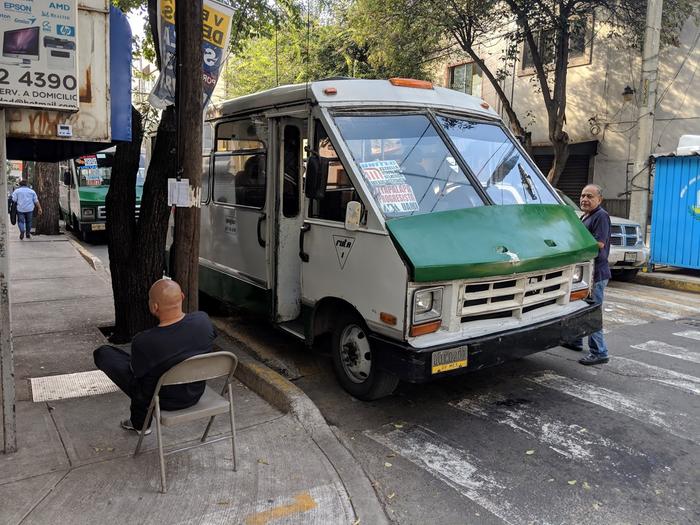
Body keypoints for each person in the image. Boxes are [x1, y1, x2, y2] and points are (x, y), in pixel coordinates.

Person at [94, 279, 216, 433]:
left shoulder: (144, 341)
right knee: (151, 370)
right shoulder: (203, 321)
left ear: (154, 306)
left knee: (104, 354)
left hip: (163, 400)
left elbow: (136, 375)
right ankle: (139, 422)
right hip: (195, 392)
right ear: (182, 297)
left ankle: (140, 424)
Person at [564, 184, 611, 365]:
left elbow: (599, 243)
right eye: (583, 195)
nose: (584, 199)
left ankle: (600, 352)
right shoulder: (586, 215)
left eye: (590, 196)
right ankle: (576, 340)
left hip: (596, 274)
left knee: (592, 313)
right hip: (584, 274)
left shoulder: (601, 216)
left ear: (599, 200)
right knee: (579, 307)